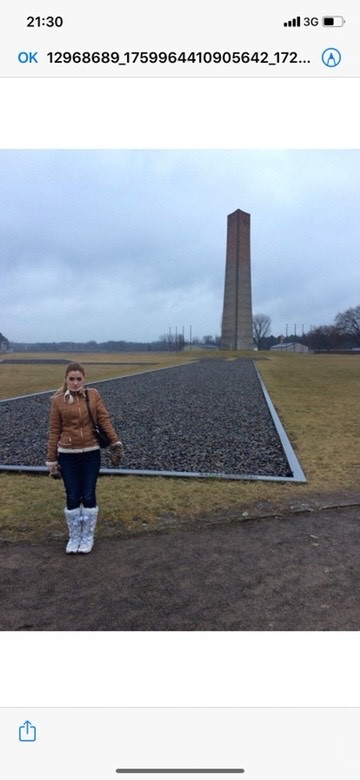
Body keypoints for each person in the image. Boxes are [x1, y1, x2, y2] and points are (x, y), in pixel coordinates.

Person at [46, 362, 123, 554]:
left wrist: (115, 442)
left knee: (88, 494)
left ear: (84, 379)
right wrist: (51, 459)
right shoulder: (57, 401)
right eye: (71, 379)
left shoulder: (93, 395)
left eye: (78, 379)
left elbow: (104, 419)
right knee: (72, 495)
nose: (74, 382)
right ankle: (75, 537)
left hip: (91, 453)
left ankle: (87, 536)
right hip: (67, 455)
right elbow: (54, 431)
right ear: (66, 379)